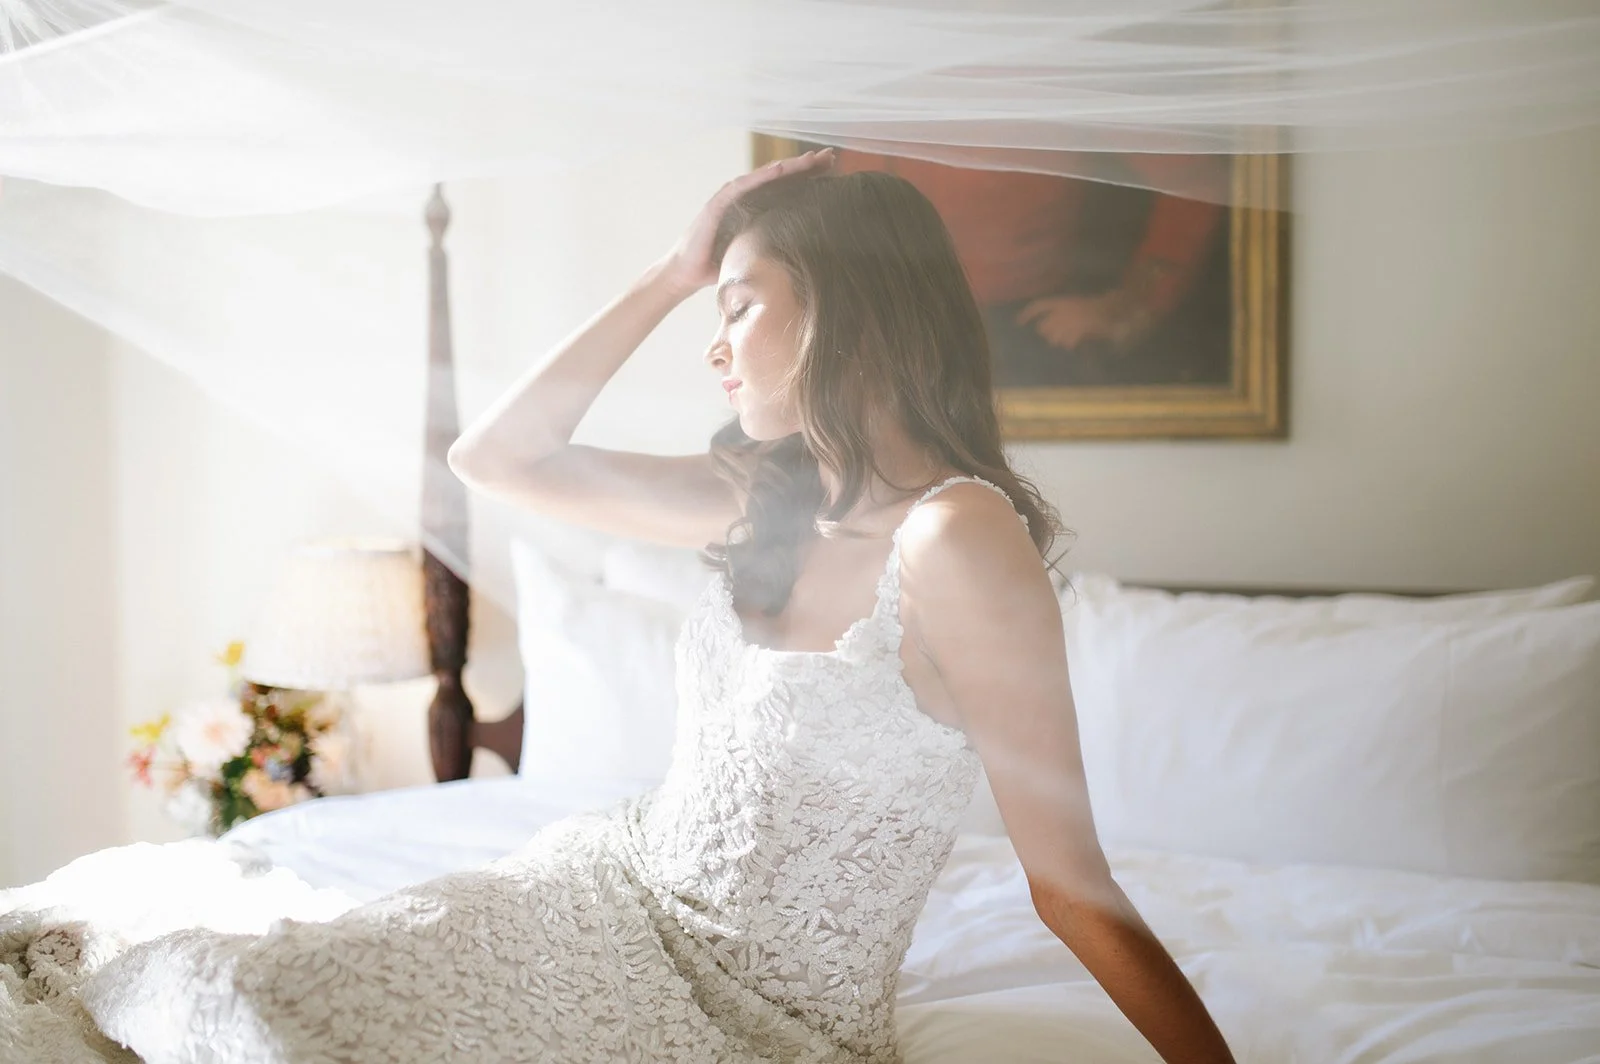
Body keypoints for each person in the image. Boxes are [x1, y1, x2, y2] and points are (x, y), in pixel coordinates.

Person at [81, 151, 1237, 1064]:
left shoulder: (955, 537)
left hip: (756, 1015)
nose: (713, 348)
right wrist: (680, 269)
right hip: (602, 900)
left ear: (848, 308)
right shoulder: (765, 494)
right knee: (219, 990)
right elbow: (497, 455)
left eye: (740, 309)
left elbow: (1069, 884)